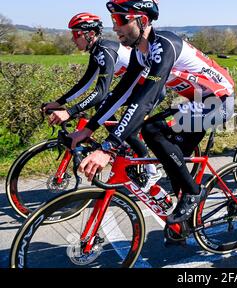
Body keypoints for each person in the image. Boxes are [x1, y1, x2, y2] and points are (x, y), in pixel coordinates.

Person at [69, 0, 235, 225]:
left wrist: (108, 147)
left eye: (120, 19)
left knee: (152, 130)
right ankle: (185, 225)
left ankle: (194, 193)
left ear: (142, 20)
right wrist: (89, 128)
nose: (114, 26)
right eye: (113, 19)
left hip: (219, 101)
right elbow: (122, 93)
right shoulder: (141, 52)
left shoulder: (164, 46)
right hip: (198, 102)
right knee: (173, 161)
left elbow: (145, 99)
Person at [42, 12, 160, 186]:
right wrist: (59, 103)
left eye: (76, 34)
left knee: (125, 126)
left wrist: (70, 111)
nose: (73, 40)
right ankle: (122, 147)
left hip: (151, 89)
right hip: (134, 88)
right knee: (102, 109)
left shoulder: (106, 50)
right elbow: (84, 83)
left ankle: (151, 170)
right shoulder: (97, 51)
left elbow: (100, 92)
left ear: (90, 34)